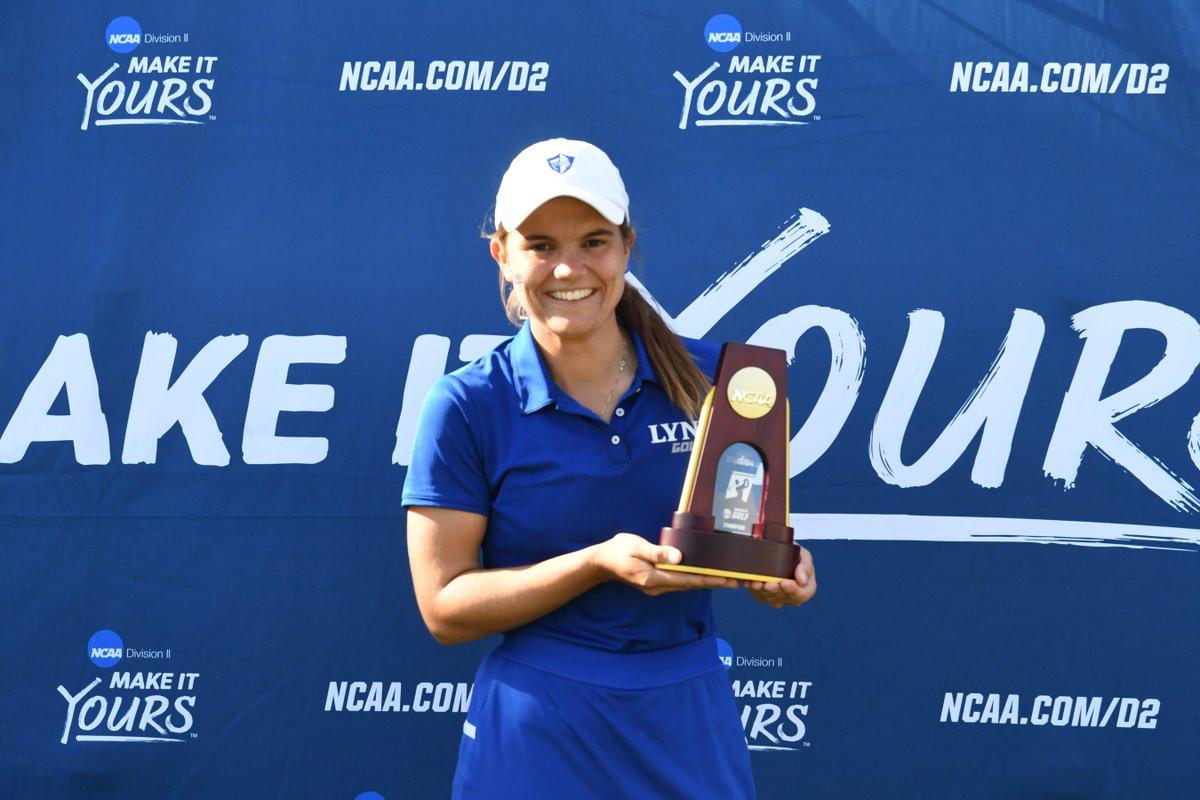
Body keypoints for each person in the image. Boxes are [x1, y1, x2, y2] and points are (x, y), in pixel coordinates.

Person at [402, 138, 817, 799]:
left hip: (686, 721)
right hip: (539, 728)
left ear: (627, 246)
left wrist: (772, 570)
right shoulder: (466, 403)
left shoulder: (721, 378)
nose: (569, 268)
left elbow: (741, 530)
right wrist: (594, 563)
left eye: (594, 242)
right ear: (502, 254)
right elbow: (444, 609)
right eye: (541, 245)